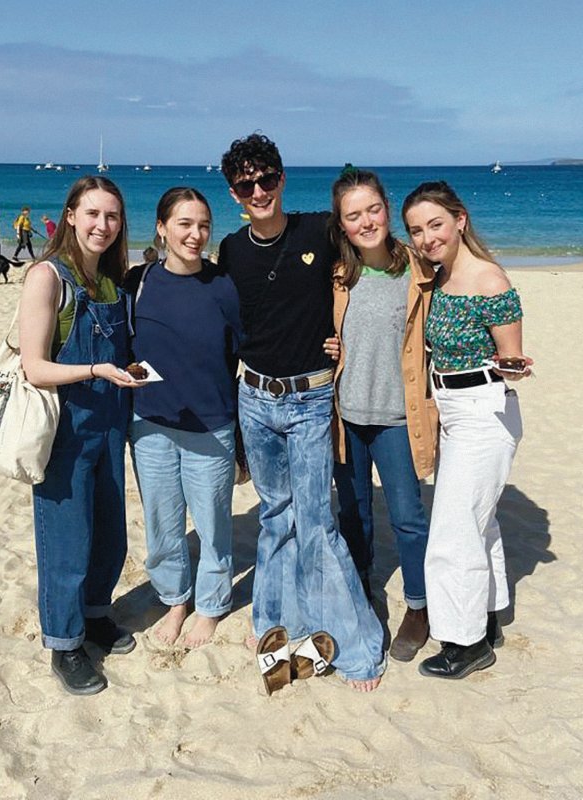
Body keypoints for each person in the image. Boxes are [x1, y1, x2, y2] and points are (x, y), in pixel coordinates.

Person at [218, 133, 385, 691]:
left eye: (267, 179)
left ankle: (358, 648)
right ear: (234, 191)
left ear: (282, 178)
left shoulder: (318, 229)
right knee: (273, 515)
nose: (259, 190)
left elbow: (376, 254)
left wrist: (344, 334)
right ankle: (273, 620)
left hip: (311, 398)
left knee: (316, 523)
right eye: (247, 184)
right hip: (254, 397)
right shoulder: (232, 250)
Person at [19, 176, 144, 695]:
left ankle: (95, 615)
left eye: (112, 217)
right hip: (67, 427)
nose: (102, 226)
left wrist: (127, 371)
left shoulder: (112, 279)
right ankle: (64, 643)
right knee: (66, 541)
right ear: (70, 215)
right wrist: (95, 369)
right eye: (92, 214)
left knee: (109, 532)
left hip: (111, 422)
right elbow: (35, 367)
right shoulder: (49, 277)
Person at [402, 181, 531, 680]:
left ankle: (466, 642)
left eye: (435, 224)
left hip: (484, 408)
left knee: (453, 533)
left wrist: (517, 367)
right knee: (482, 522)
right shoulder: (437, 278)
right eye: (416, 229)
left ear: (459, 220)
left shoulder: (489, 279)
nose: (427, 237)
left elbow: (512, 359)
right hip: (452, 409)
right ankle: (491, 615)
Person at [327, 168, 438, 663]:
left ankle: (418, 606)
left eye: (373, 209)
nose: (366, 221)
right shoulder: (337, 274)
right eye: (354, 215)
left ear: (387, 209)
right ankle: (364, 592)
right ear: (343, 224)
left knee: (409, 518)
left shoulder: (420, 269)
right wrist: (328, 345)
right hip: (347, 415)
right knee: (354, 514)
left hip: (397, 416)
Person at [127, 187, 242, 648]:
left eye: (203, 226)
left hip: (211, 426)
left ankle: (212, 605)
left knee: (213, 523)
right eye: (184, 224)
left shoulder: (223, 286)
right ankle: (175, 599)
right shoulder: (139, 282)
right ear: (161, 227)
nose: (195, 235)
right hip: (149, 423)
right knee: (162, 522)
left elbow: (243, 350)